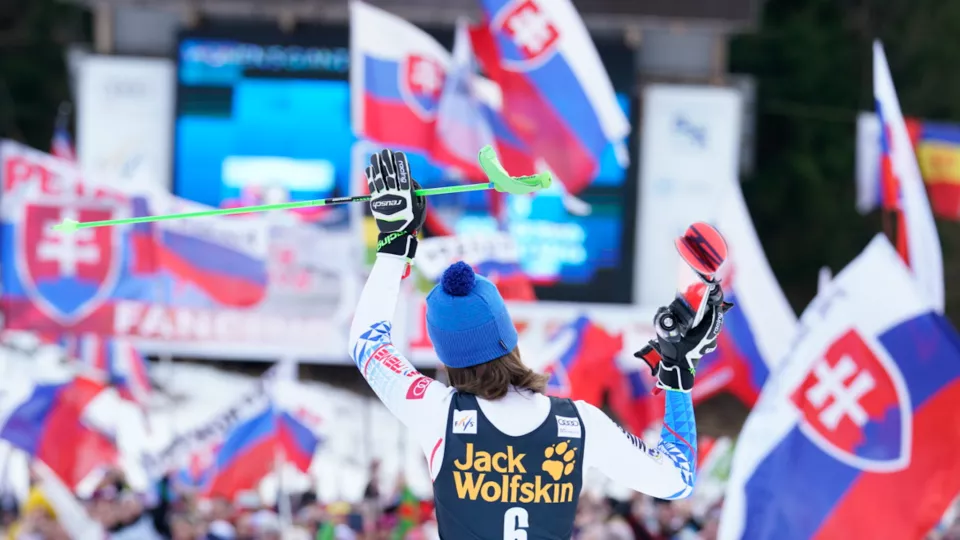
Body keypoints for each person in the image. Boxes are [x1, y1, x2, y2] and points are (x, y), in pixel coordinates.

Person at [348, 150, 732, 540]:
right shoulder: (580, 423)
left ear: (447, 358)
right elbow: (678, 480)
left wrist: (395, 248)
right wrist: (679, 374)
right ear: (509, 337)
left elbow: (367, 343)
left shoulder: (437, 413)